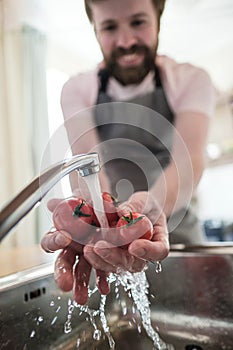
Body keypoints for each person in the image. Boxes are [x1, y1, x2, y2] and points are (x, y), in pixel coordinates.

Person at [41, 0, 215, 304]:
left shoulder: (190, 80)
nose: (126, 41)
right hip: (107, 245)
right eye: (109, 27)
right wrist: (101, 223)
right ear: (94, 30)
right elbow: (89, 166)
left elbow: (188, 162)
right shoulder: (77, 90)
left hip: (181, 241)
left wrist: (148, 211)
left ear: (158, 19)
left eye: (138, 22)